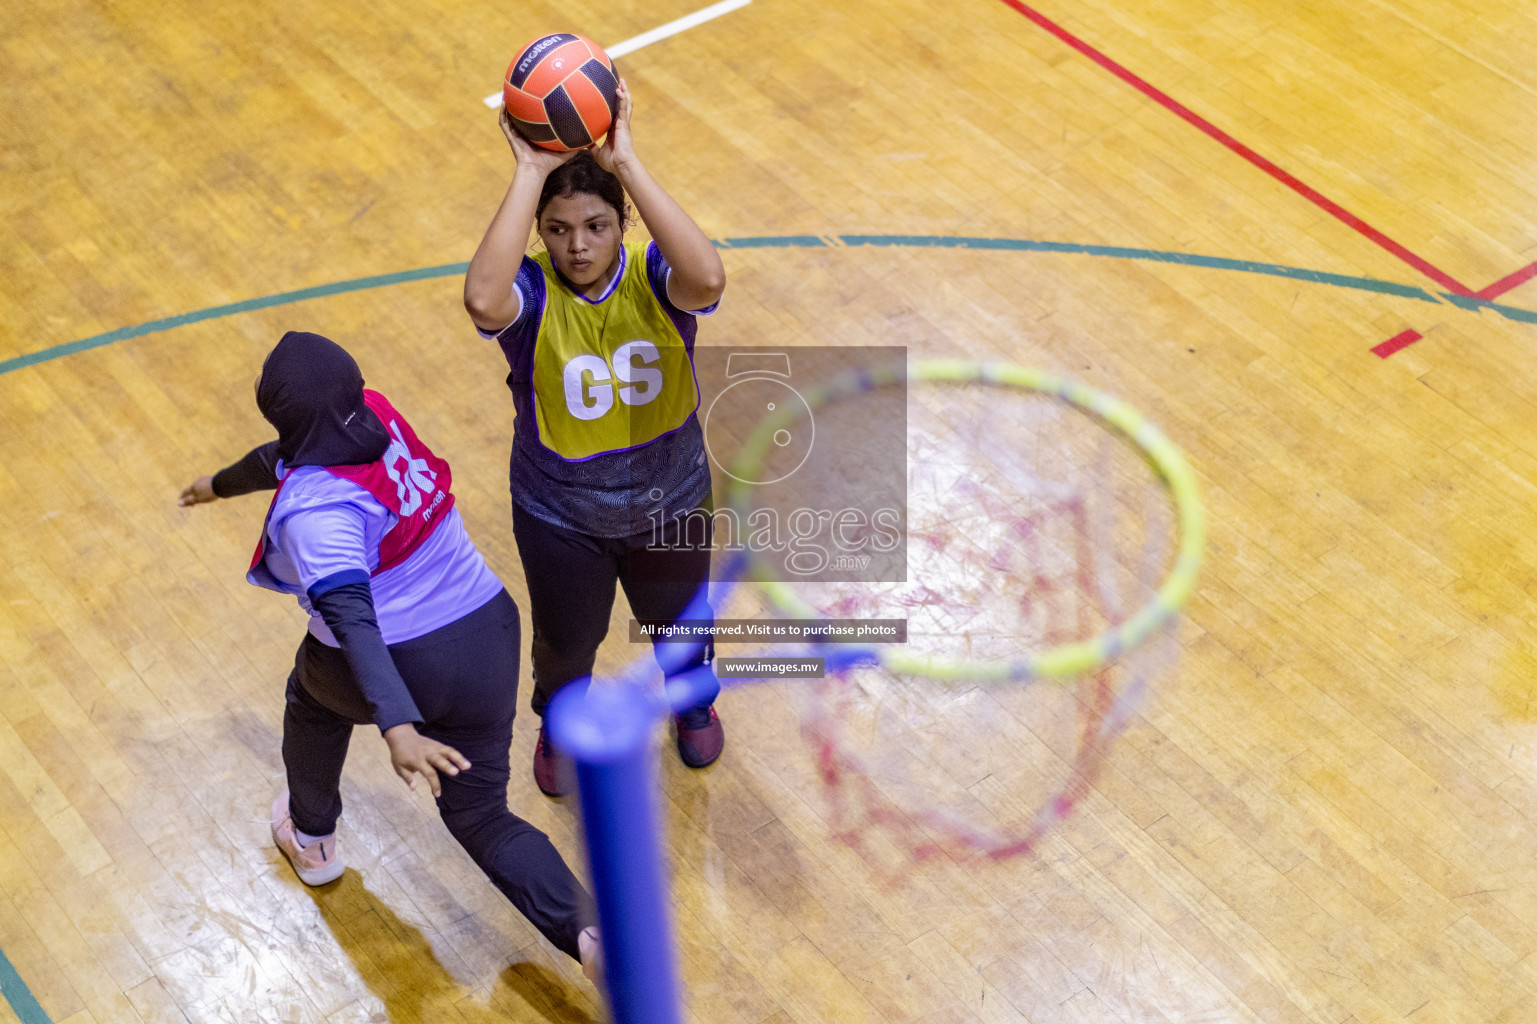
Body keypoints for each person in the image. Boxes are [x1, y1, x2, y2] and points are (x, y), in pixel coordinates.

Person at [178, 331, 600, 980]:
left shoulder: (316, 514)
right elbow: (282, 457)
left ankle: (313, 840)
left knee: (313, 706)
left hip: (403, 661)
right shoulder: (371, 410)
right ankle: (593, 937)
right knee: (482, 814)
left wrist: (398, 727)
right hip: (487, 633)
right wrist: (218, 484)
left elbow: (353, 620)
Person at [463, 79, 727, 797]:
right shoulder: (531, 296)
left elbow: (707, 277)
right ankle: (559, 722)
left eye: (596, 225)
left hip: (670, 502)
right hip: (561, 519)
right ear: (538, 233)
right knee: (565, 644)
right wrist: (527, 172)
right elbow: (481, 299)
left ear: (623, 224)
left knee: (680, 628)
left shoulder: (654, 276)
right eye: (557, 228)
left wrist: (628, 164)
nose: (577, 245)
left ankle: (692, 699)